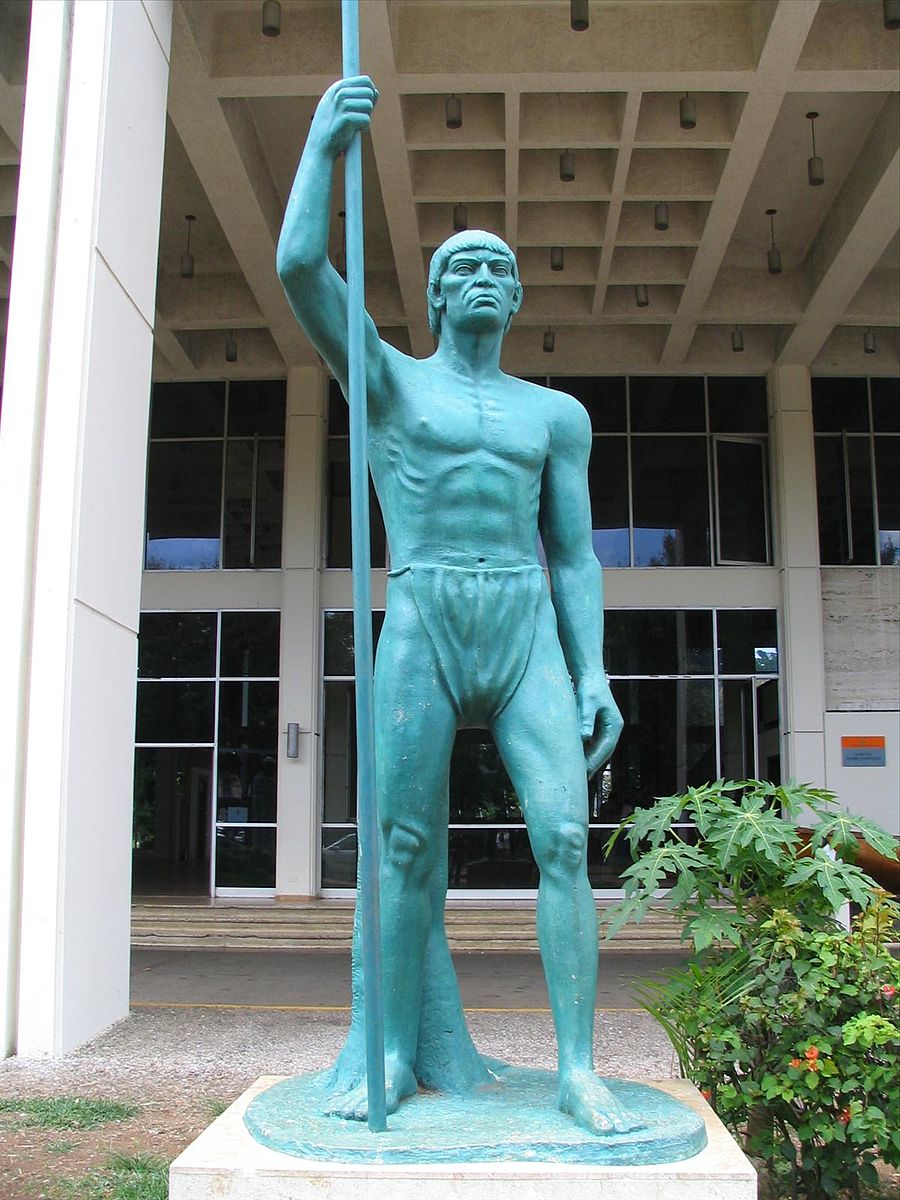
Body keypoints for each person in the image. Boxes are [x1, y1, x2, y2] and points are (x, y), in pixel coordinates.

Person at [277, 76, 637, 1136]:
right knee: (402, 848)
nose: (483, 278)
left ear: (518, 299)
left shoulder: (554, 415)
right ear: (436, 296)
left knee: (567, 837)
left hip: (522, 621)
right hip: (427, 613)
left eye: (501, 268)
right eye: (462, 267)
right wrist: (320, 145)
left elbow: (573, 555)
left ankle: (578, 1068)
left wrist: (594, 670)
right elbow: (301, 266)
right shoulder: (389, 381)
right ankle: (390, 1054)